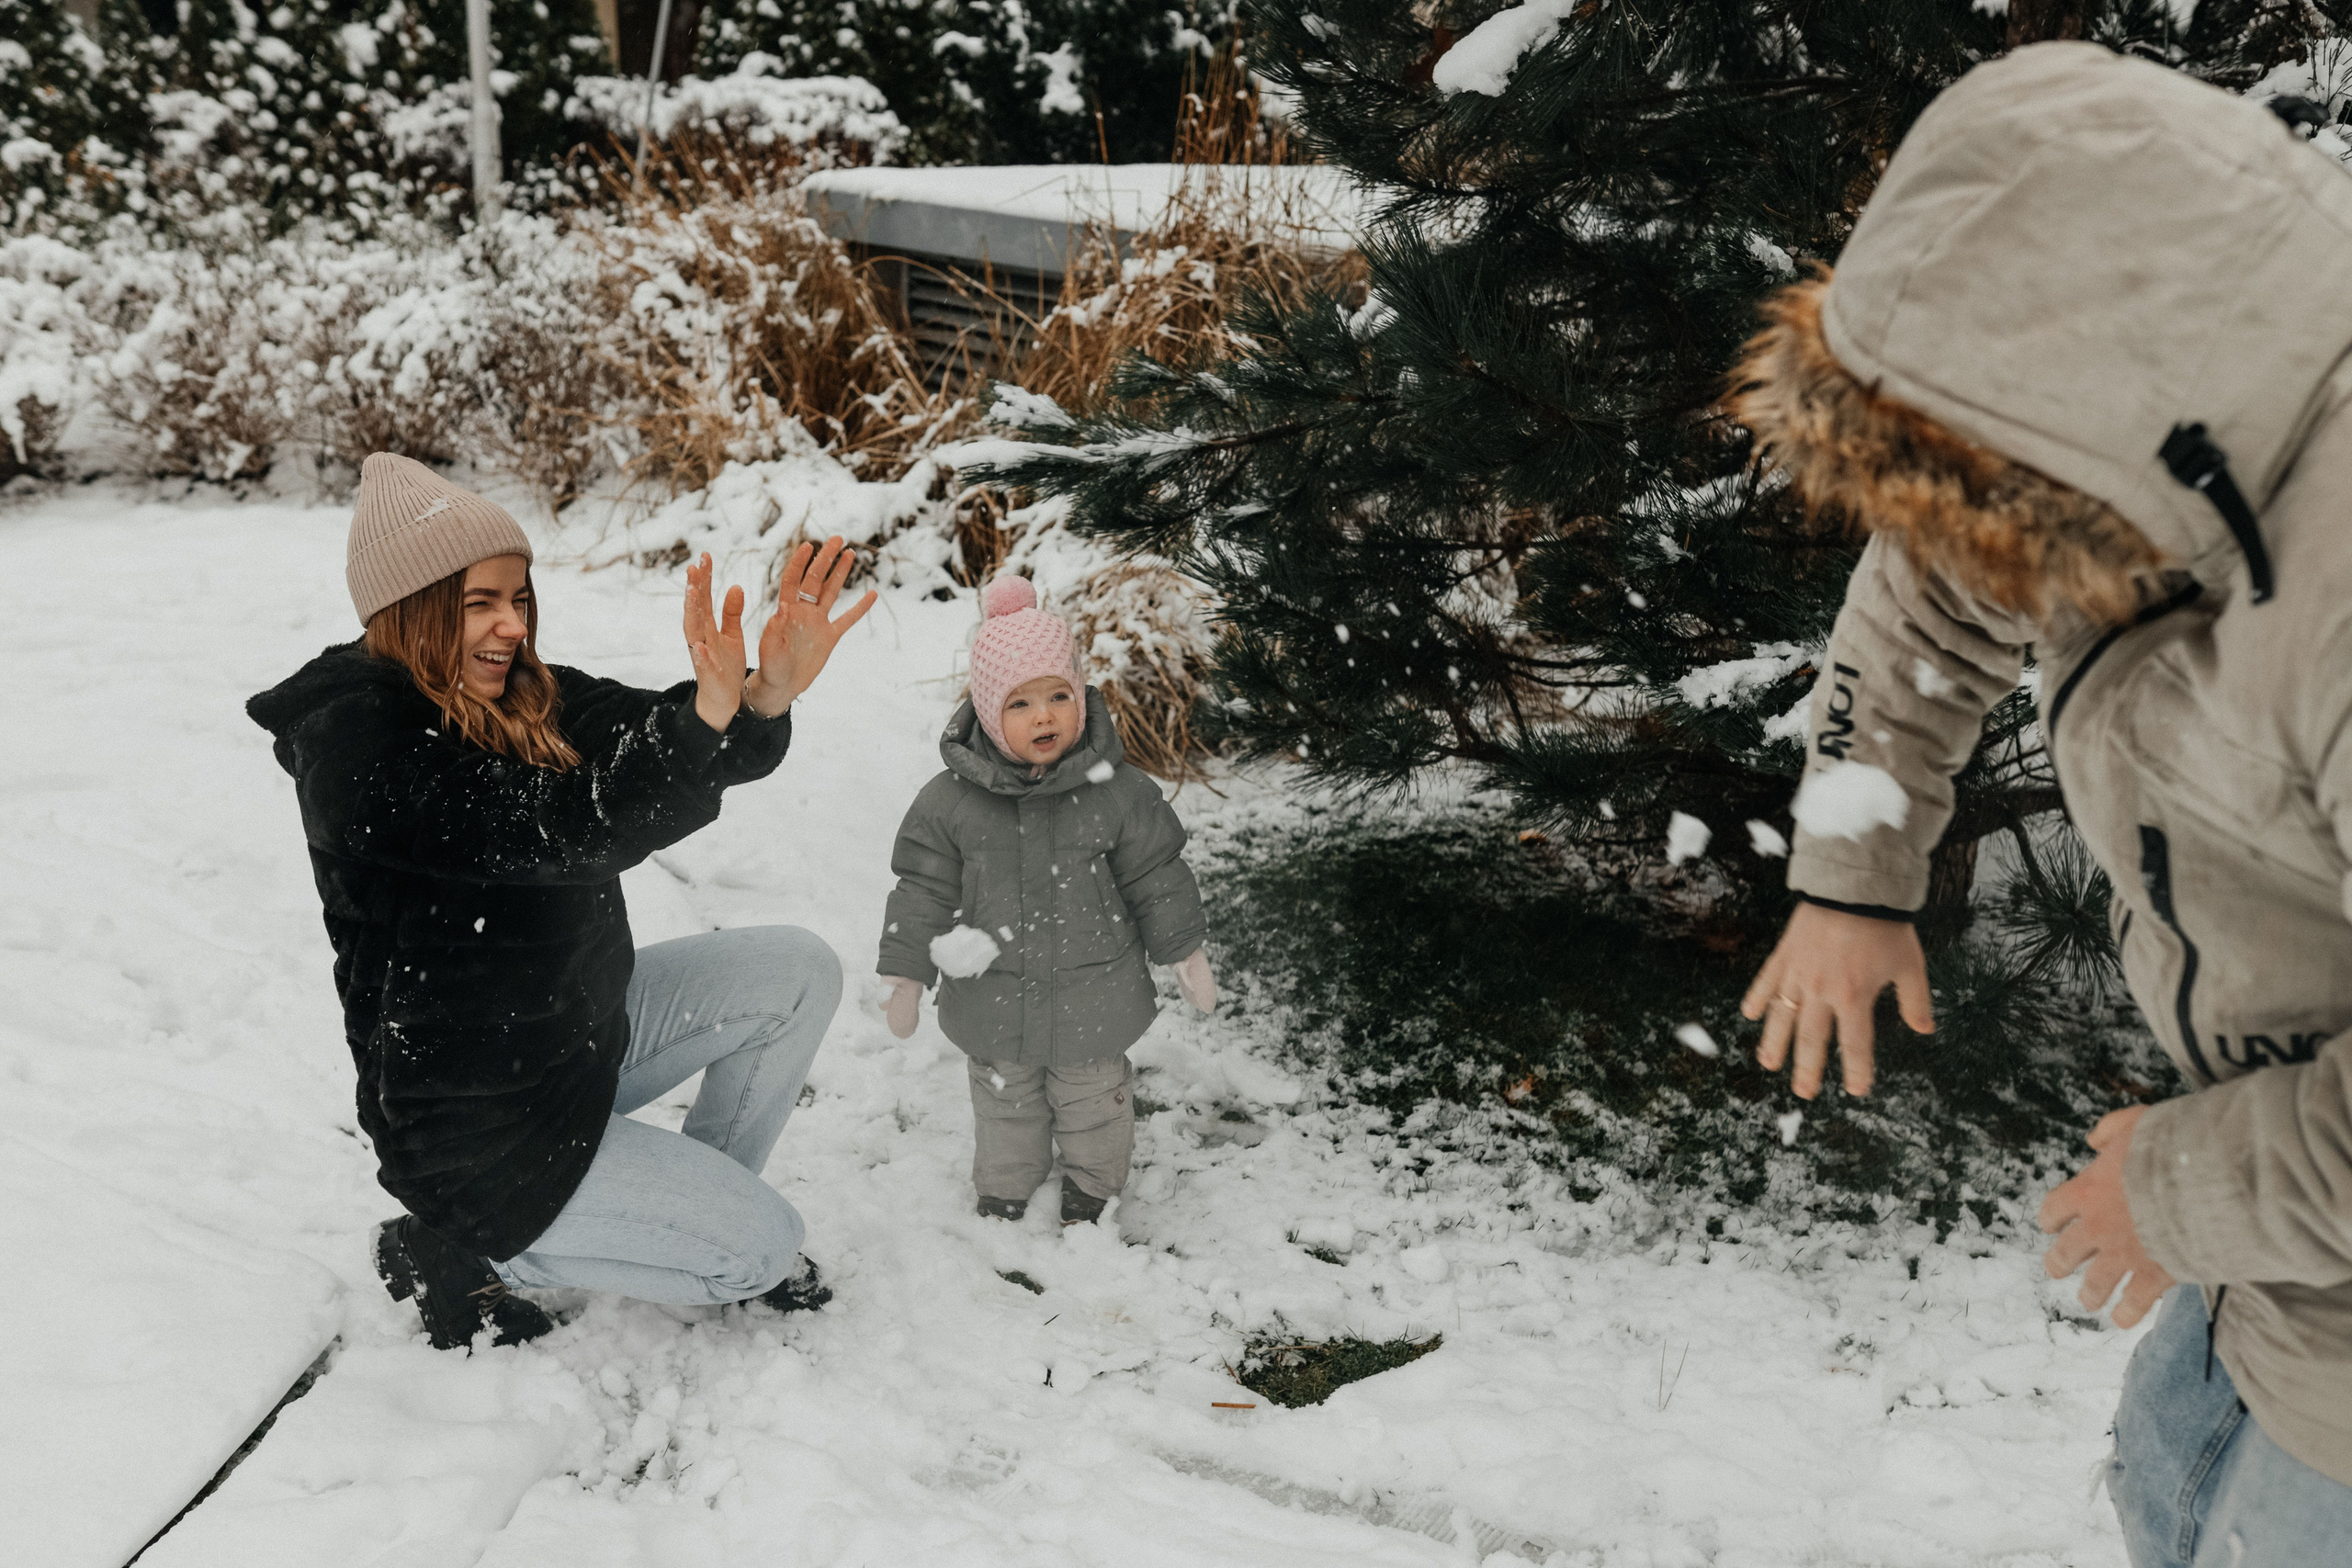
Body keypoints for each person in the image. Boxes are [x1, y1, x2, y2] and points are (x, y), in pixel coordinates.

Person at [1727, 43, 2352, 1564]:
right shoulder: (2145, 430)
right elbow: (1935, 580)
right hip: (2277, 1276)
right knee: (2164, 1498)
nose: (1975, 547)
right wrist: (1852, 872)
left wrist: (2184, 1189)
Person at [249, 453, 874, 1350]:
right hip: (474, 1131)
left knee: (795, 972)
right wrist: (698, 721)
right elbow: (567, 826)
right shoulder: (361, 753)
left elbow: (653, 741)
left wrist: (758, 697)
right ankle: (461, 1247)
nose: (510, 625)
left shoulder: (516, 691)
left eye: (518, 597)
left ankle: (669, 1214)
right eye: (478, 604)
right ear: (411, 611)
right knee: (763, 1250)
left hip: (572, 1042)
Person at [875, 575, 1216, 1225]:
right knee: (1006, 1097)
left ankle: (1093, 1185)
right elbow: (922, 887)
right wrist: (906, 974)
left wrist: (1185, 950)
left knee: (1093, 1098)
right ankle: (1007, 1181)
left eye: (1059, 696)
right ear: (986, 709)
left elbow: (1157, 874)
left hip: (1094, 993)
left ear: (1080, 698)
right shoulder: (950, 804)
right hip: (993, 995)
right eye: (1021, 703)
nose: (1045, 716)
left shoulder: (1117, 792)